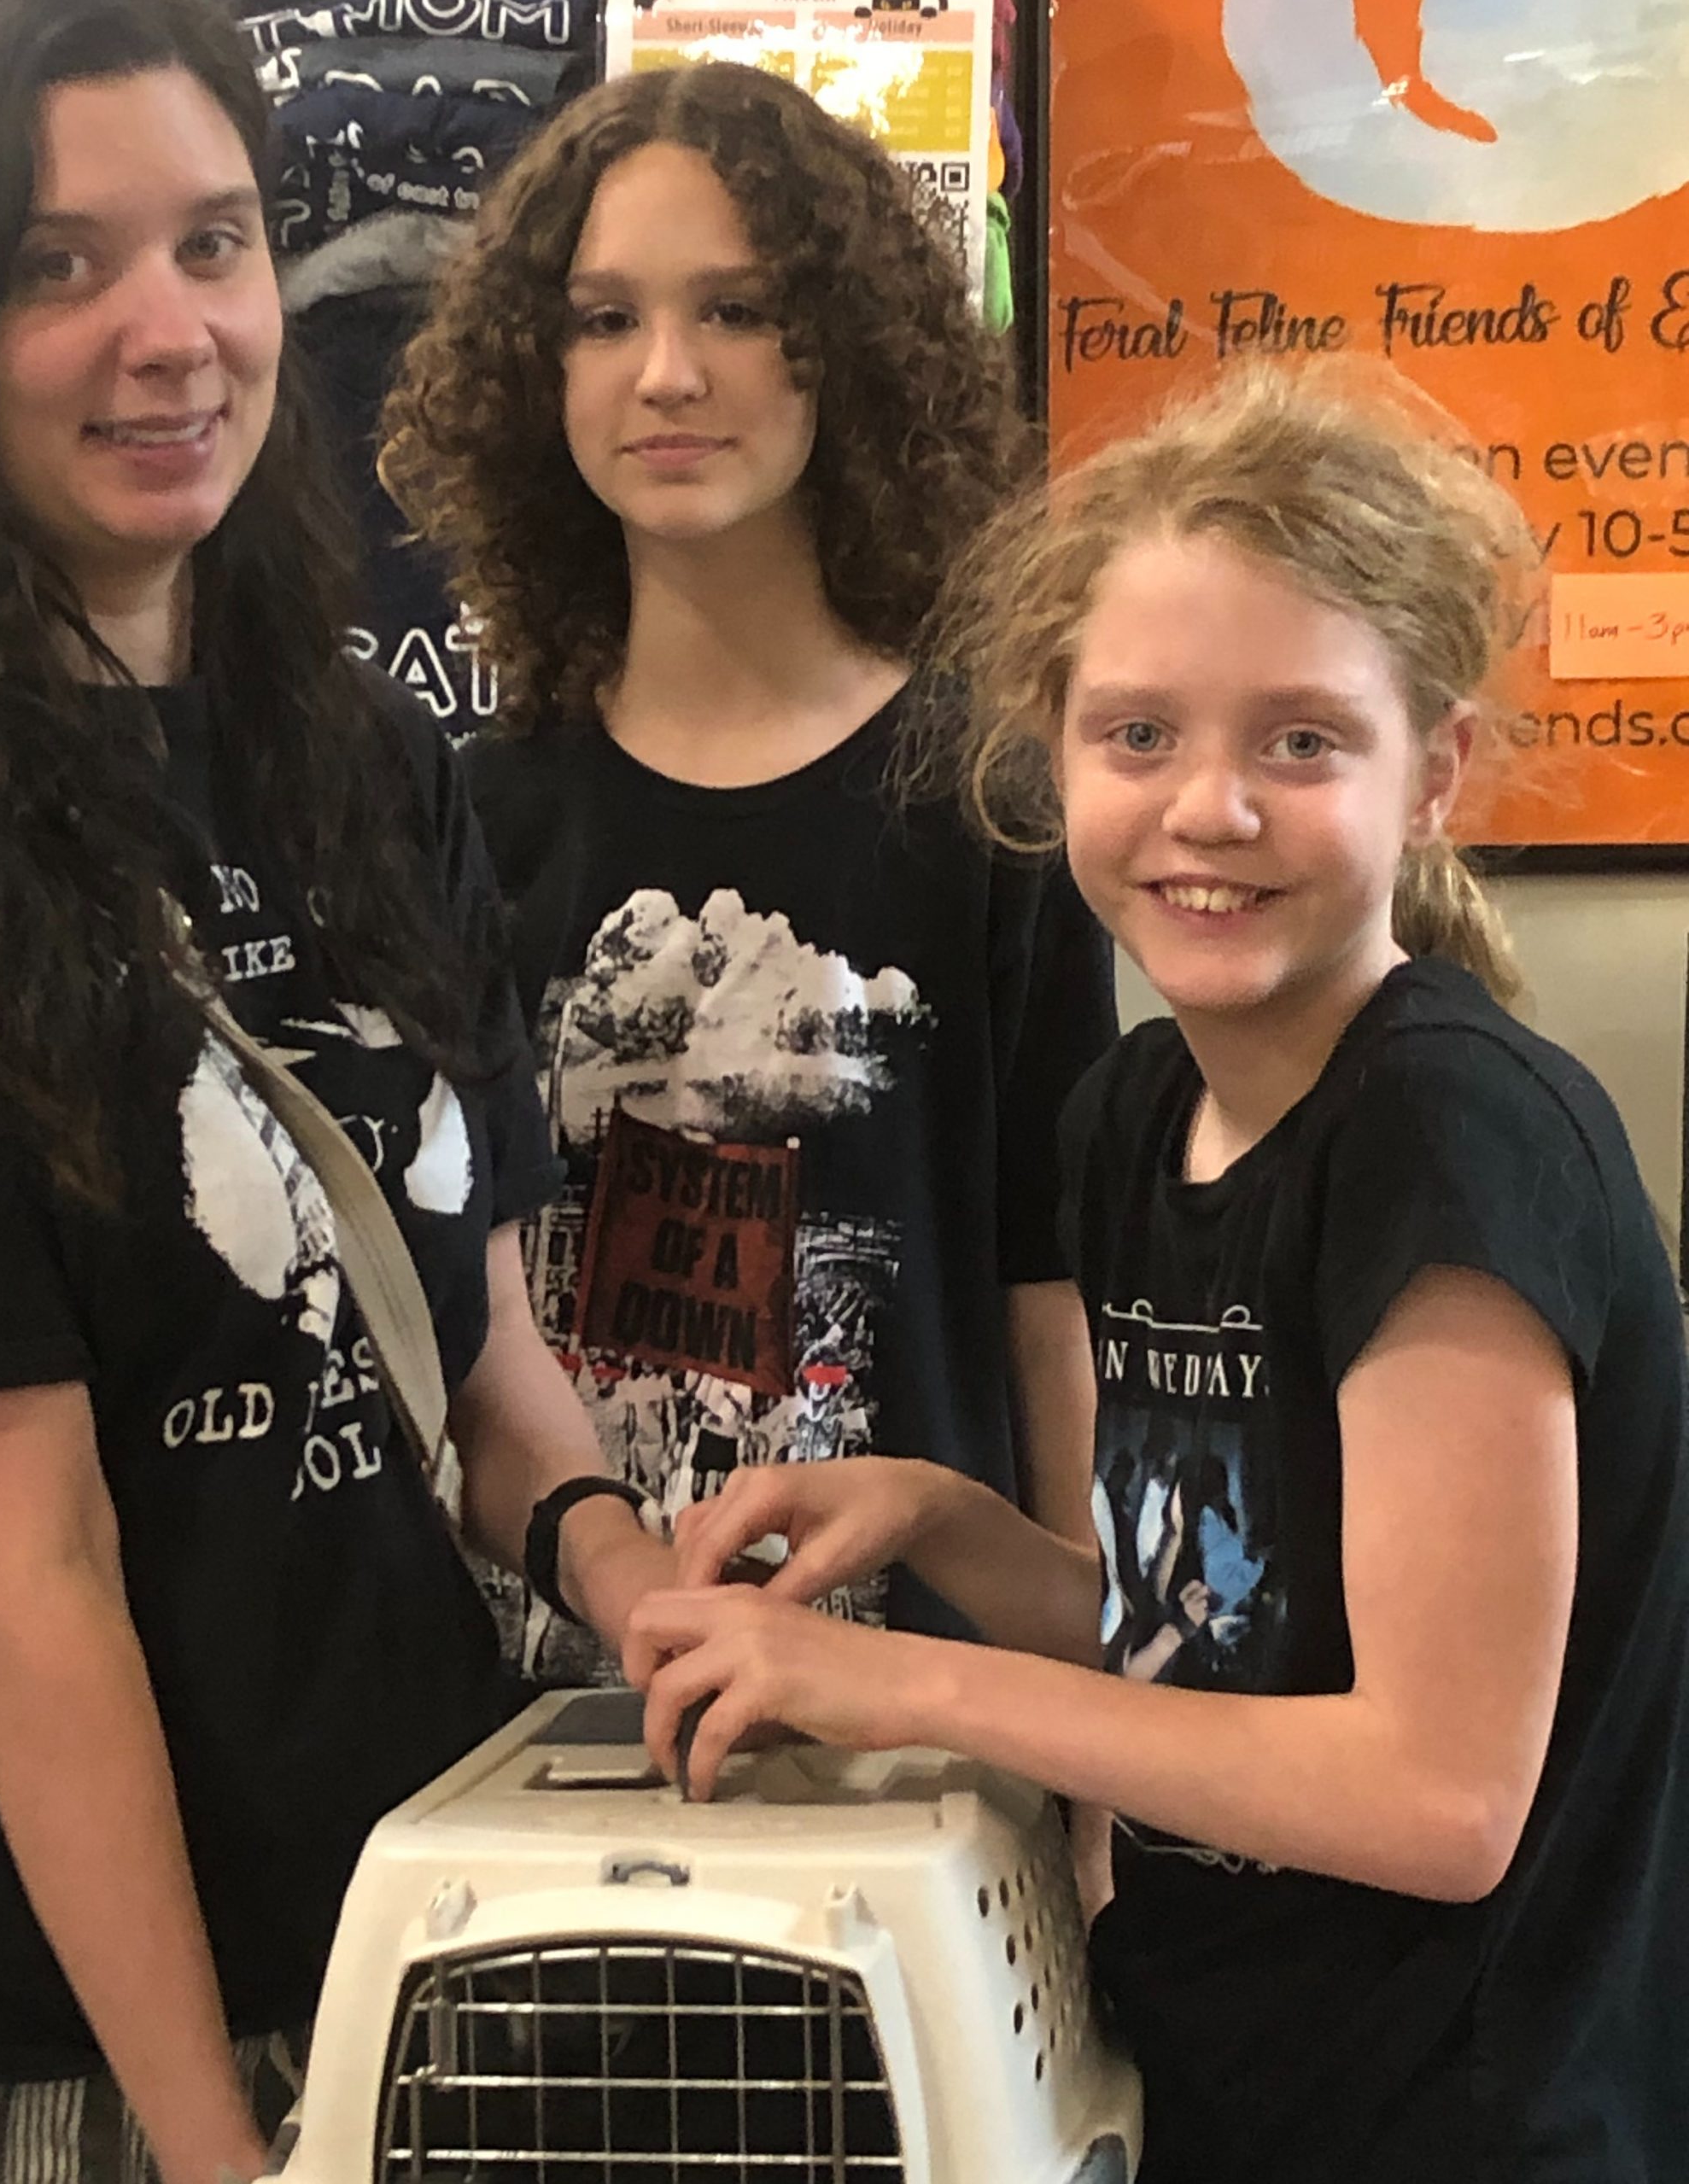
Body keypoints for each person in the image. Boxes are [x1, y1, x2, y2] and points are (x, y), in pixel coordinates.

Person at [0, 1, 672, 2179]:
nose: (169, 333)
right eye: (51, 266)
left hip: (374, 1921)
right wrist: (206, 2137)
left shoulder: (358, 757)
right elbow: (25, 1571)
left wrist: (637, 1587)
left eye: (212, 241)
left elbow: (474, 1344)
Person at [623, 365, 1689, 2180]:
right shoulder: (1132, 1114)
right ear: (1051, 753)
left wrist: (914, 1685)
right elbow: (1212, 1643)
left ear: (1431, 771)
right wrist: (950, 1523)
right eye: (1136, 735)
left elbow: (1436, 1793)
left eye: (1301, 742)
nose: (1210, 806)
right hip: (1227, 2078)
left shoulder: (1447, 1137)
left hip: (1472, 2126)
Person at [380, 62, 1118, 1686]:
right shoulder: (471, 820)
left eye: (735, 308)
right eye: (602, 319)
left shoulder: (994, 804)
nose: (666, 373)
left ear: (842, 342)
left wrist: (1088, 1728)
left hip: (926, 1708)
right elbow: (461, 1324)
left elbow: (1047, 1303)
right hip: (553, 1719)